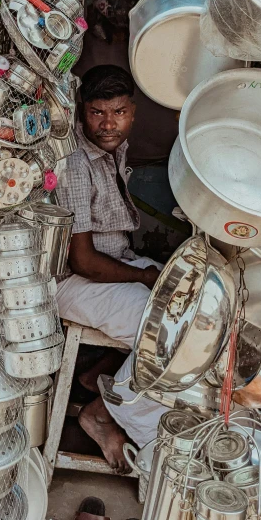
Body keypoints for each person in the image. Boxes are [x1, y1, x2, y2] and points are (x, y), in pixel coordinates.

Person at [56, 65, 168, 473]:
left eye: (118, 112)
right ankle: (100, 415)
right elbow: (82, 261)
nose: (107, 124)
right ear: (80, 112)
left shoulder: (111, 147)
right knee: (166, 328)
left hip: (113, 264)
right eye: (97, 113)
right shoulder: (75, 163)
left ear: (133, 112)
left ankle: (99, 380)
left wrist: (150, 274)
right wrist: (143, 277)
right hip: (72, 281)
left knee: (196, 296)